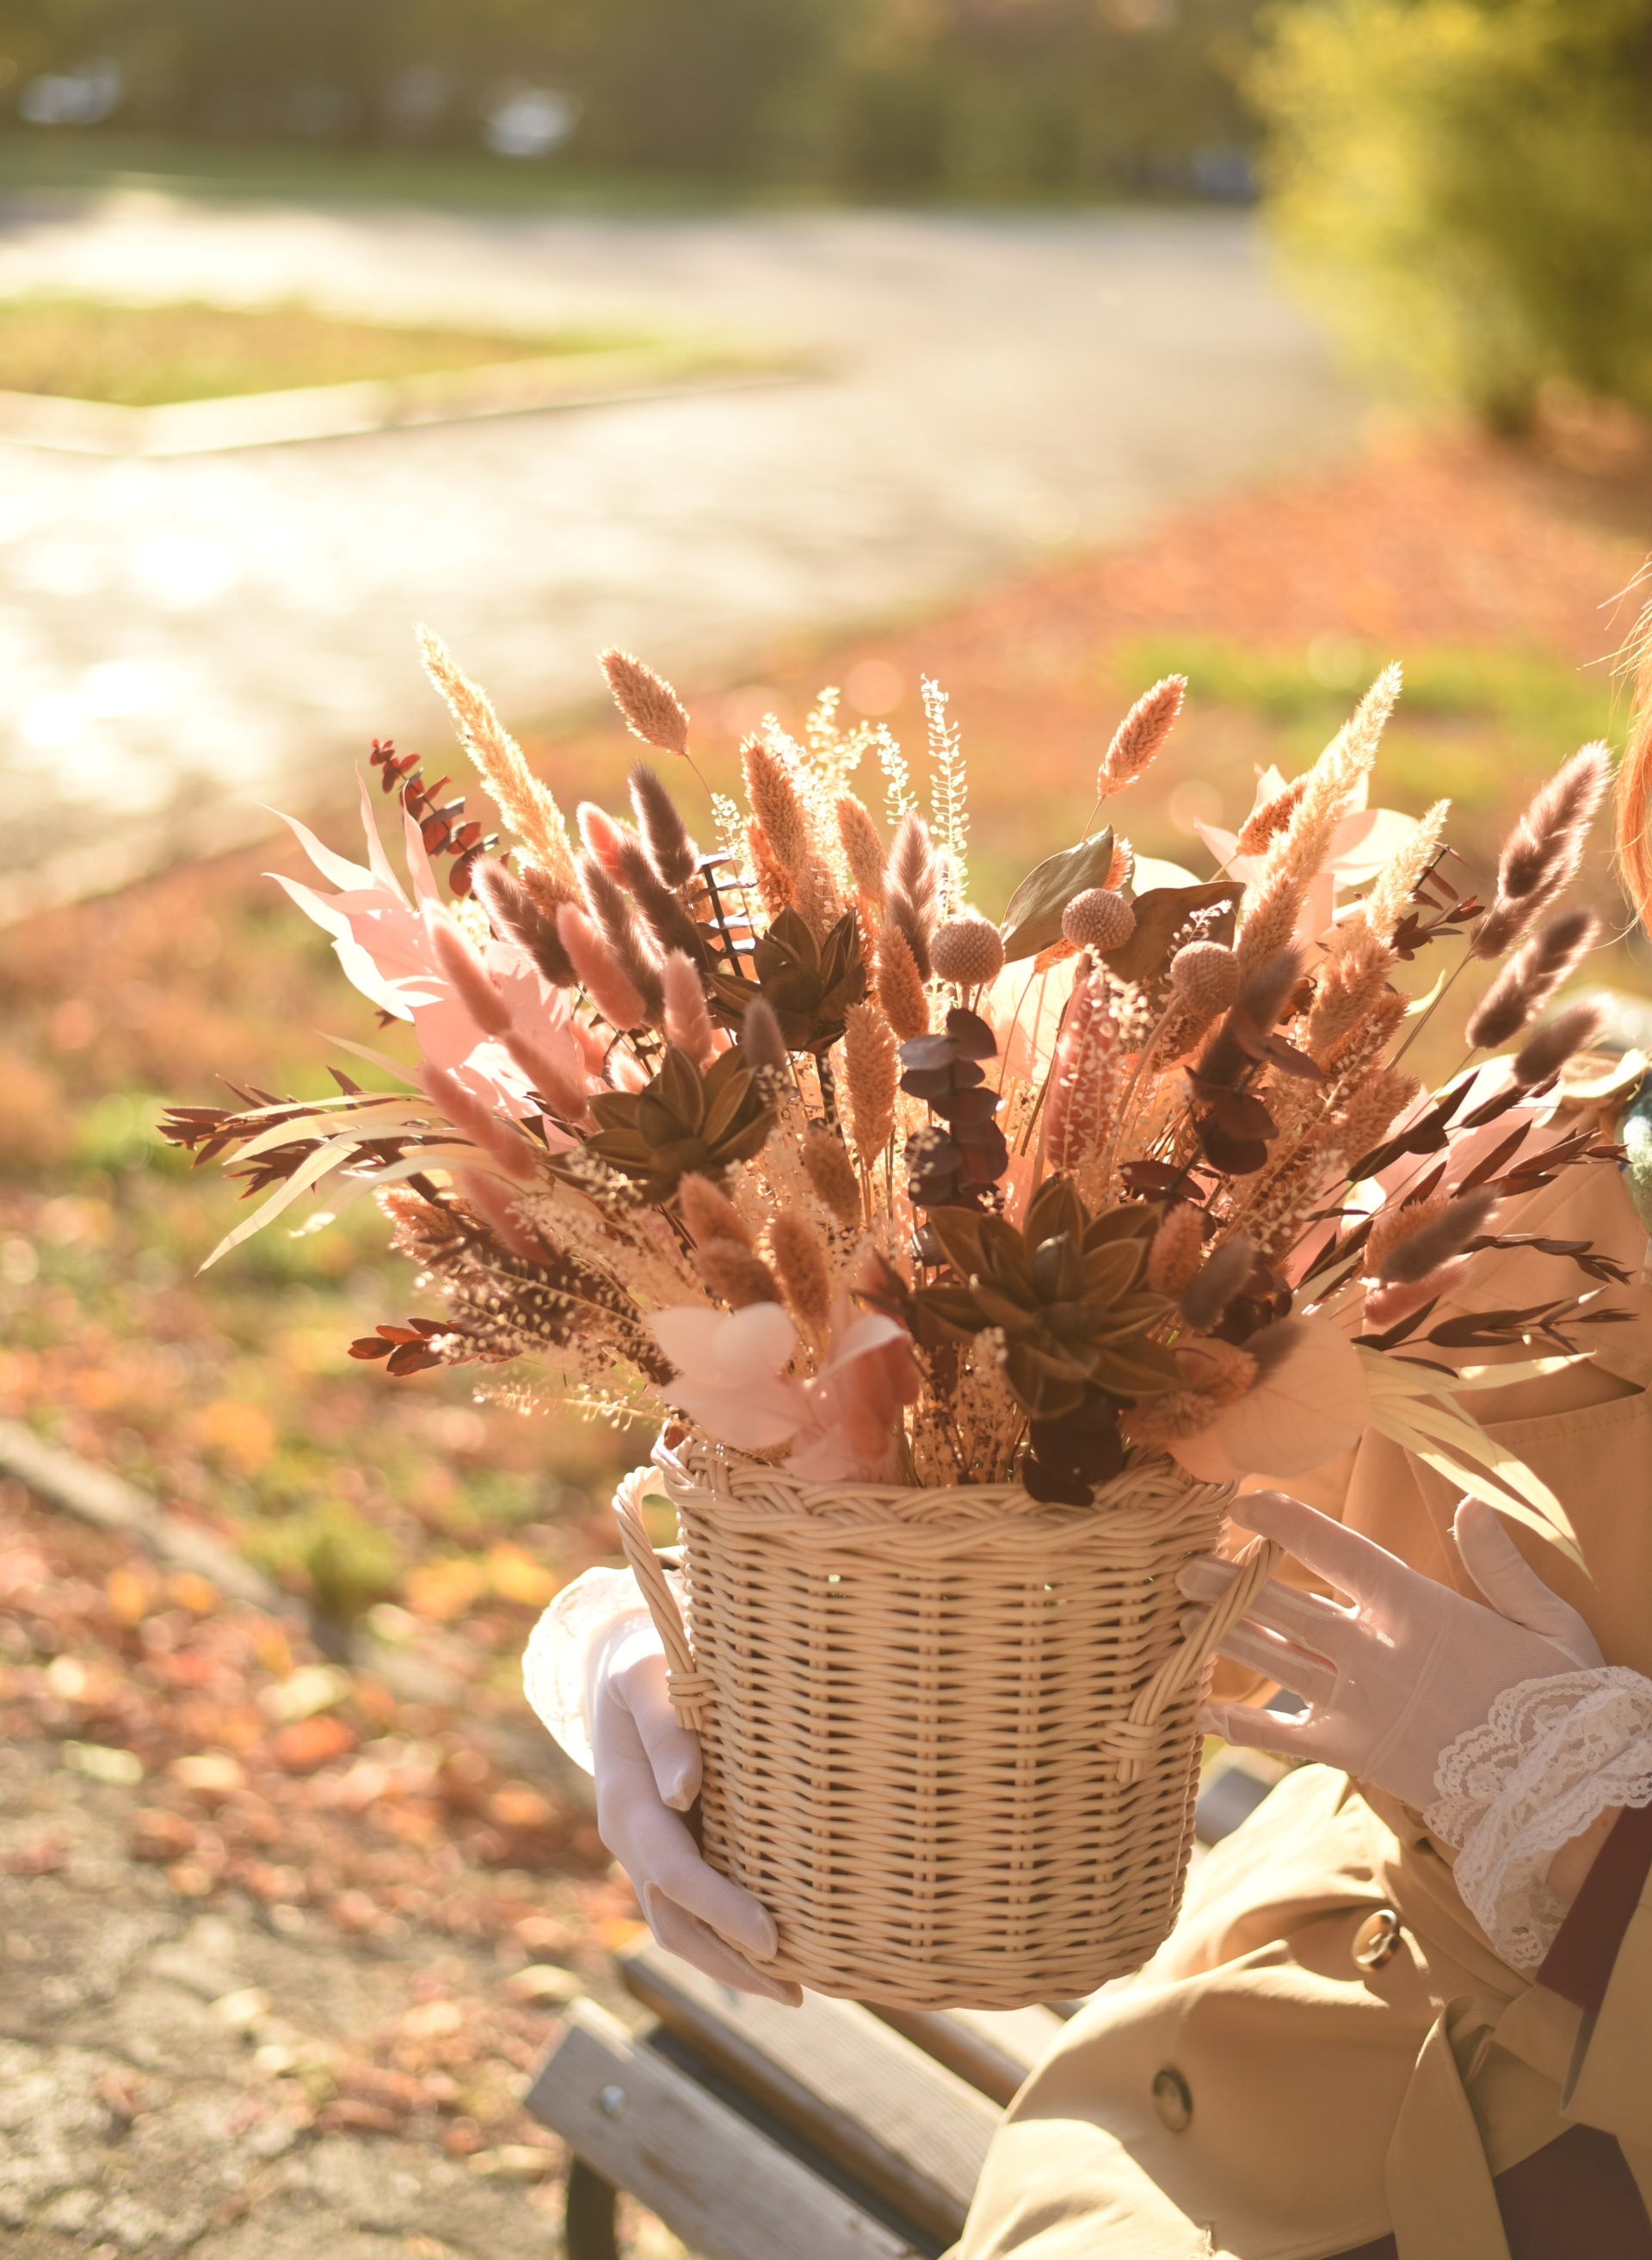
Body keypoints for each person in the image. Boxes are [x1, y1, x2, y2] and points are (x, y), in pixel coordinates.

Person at [527, 719, 1652, 2260]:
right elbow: (1072, 1492)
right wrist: (656, 1664)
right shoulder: (1560, 1170)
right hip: (1227, 2106)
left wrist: (1589, 1846)